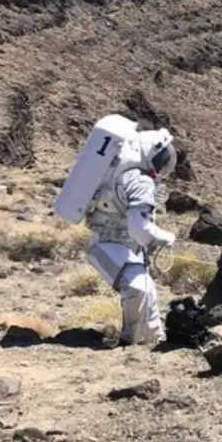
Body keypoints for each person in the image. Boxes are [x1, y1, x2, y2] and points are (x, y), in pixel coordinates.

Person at [84, 128, 178, 345]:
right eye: (160, 160)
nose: (161, 166)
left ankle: (152, 340)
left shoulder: (118, 170)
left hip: (111, 244)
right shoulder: (140, 180)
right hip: (111, 246)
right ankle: (131, 341)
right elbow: (139, 227)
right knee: (137, 288)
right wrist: (165, 238)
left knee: (147, 291)